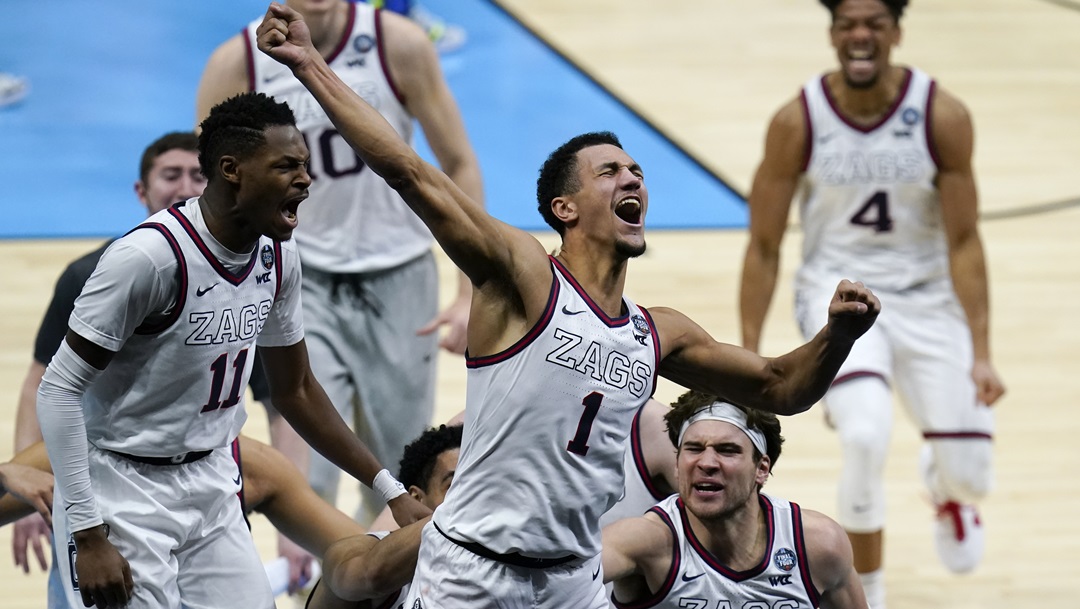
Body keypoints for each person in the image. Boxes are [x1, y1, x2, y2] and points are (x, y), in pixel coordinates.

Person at [257, 5, 881, 606]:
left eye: (637, 172)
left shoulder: (657, 332)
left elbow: (781, 388)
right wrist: (310, 64)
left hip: (575, 581)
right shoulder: (523, 276)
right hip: (473, 569)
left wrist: (838, 337)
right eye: (610, 172)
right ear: (565, 209)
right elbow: (409, 171)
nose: (633, 179)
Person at [36, 92, 428, 609]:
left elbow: (298, 390)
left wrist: (388, 487)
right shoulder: (149, 259)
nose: (306, 180)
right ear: (232, 170)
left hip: (214, 478)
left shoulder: (278, 255)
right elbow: (57, 389)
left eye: (305, 166)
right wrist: (87, 533)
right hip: (120, 485)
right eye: (287, 166)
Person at [738, 0, 1004, 604]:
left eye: (874, 24)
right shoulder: (796, 121)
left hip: (928, 298)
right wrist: (746, 354)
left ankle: (949, 490)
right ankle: (868, 594)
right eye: (848, 24)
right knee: (864, 433)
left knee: (974, 474)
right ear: (832, 34)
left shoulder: (942, 115)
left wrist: (982, 351)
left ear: (896, 33)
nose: (860, 35)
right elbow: (763, 244)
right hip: (841, 296)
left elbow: (964, 241)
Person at [196, 0, 484, 526]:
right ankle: (316, 591)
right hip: (295, 278)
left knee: (398, 465)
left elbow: (459, 162)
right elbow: (210, 185)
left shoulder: (400, 43)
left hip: (399, 275)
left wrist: (470, 291)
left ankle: (391, 591)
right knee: (311, 468)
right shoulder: (236, 61)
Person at [10, 131, 315, 591]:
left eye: (196, 174)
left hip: (210, 470)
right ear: (142, 190)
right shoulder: (103, 271)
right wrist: (69, 515)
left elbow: (286, 399)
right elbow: (46, 386)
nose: (184, 186)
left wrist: (371, 488)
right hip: (110, 473)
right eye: (170, 175)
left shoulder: (266, 259)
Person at [601, 392, 868, 609]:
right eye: (693, 449)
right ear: (676, 465)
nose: (706, 463)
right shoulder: (643, 541)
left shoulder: (818, 545)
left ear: (761, 469)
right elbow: (562, 580)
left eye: (727, 451)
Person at [306, 423, 463, 609]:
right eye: (456, 486)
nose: (473, 495)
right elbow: (370, 575)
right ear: (417, 498)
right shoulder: (364, 550)